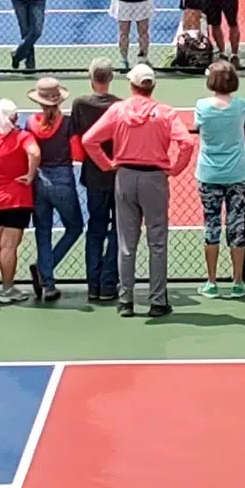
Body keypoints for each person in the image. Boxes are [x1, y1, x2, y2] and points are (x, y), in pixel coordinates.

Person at [81, 63, 197, 319]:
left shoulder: (118, 110)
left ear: (132, 86)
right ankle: (157, 300)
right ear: (152, 85)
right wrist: (175, 169)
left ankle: (126, 300)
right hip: (154, 178)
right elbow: (187, 143)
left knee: (126, 242)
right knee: (157, 242)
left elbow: (89, 140)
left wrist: (107, 164)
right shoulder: (165, 113)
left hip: (125, 176)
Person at [194, 60, 245, 299]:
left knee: (211, 225)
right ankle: (238, 281)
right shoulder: (240, 106)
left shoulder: (202, 106)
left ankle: (211, 281)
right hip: (238, 173)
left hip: (209, 173)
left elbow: (196, 126)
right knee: (236, 225)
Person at [0, 98, 38, 309]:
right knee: (9, 245)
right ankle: (7, 288)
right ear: (16, 118)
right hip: (17, 199)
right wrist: (30, 174)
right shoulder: (24, 137)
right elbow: (35, 152)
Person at [71, 61, 124, 302]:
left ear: (91, 78)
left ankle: (93, 284)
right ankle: (109, 283)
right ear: (111, 78)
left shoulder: (80, 104)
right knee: (118, 230)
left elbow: (76, 141)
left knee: (96, 229)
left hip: (94, 176)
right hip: (118, 176)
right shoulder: (121, 106)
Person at [27, 77, 79, 302]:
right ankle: (43, 268)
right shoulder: (68, 124)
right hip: (63, 180)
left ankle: (47, 282)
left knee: (43, 231)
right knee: (75, 227)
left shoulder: (30, 123)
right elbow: (77, 153)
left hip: (38, 179)